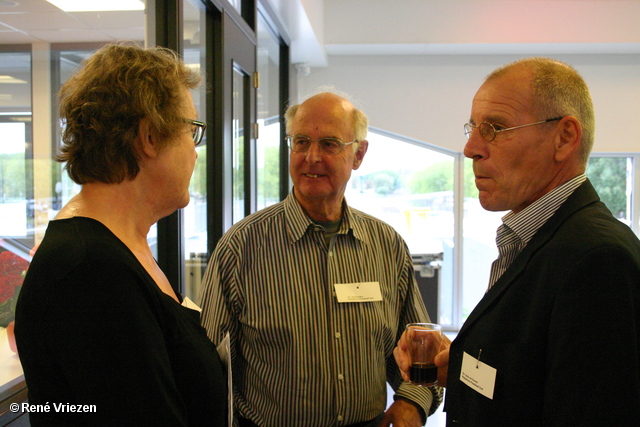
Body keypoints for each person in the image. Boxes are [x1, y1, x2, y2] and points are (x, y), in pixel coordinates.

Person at [394, 57, 640, 425]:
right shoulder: (537, 239)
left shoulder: (597, 259)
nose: (471, 148)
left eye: (494, 128)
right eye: (473, 128)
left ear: (564, 137)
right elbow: (528, 382)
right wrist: (457, 363)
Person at [199, 91, 443, 427]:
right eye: (301, 142)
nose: (311, 157)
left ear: (358, 154)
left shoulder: (387, 246)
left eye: (329, 144)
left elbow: (419, 348)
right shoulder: (241, 248)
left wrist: (412, 403)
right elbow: (208, 368)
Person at [15, 43, 227, 426]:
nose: (196, 151)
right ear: (148, 136)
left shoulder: (120, 248)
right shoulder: (89, 271)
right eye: (191, 130)